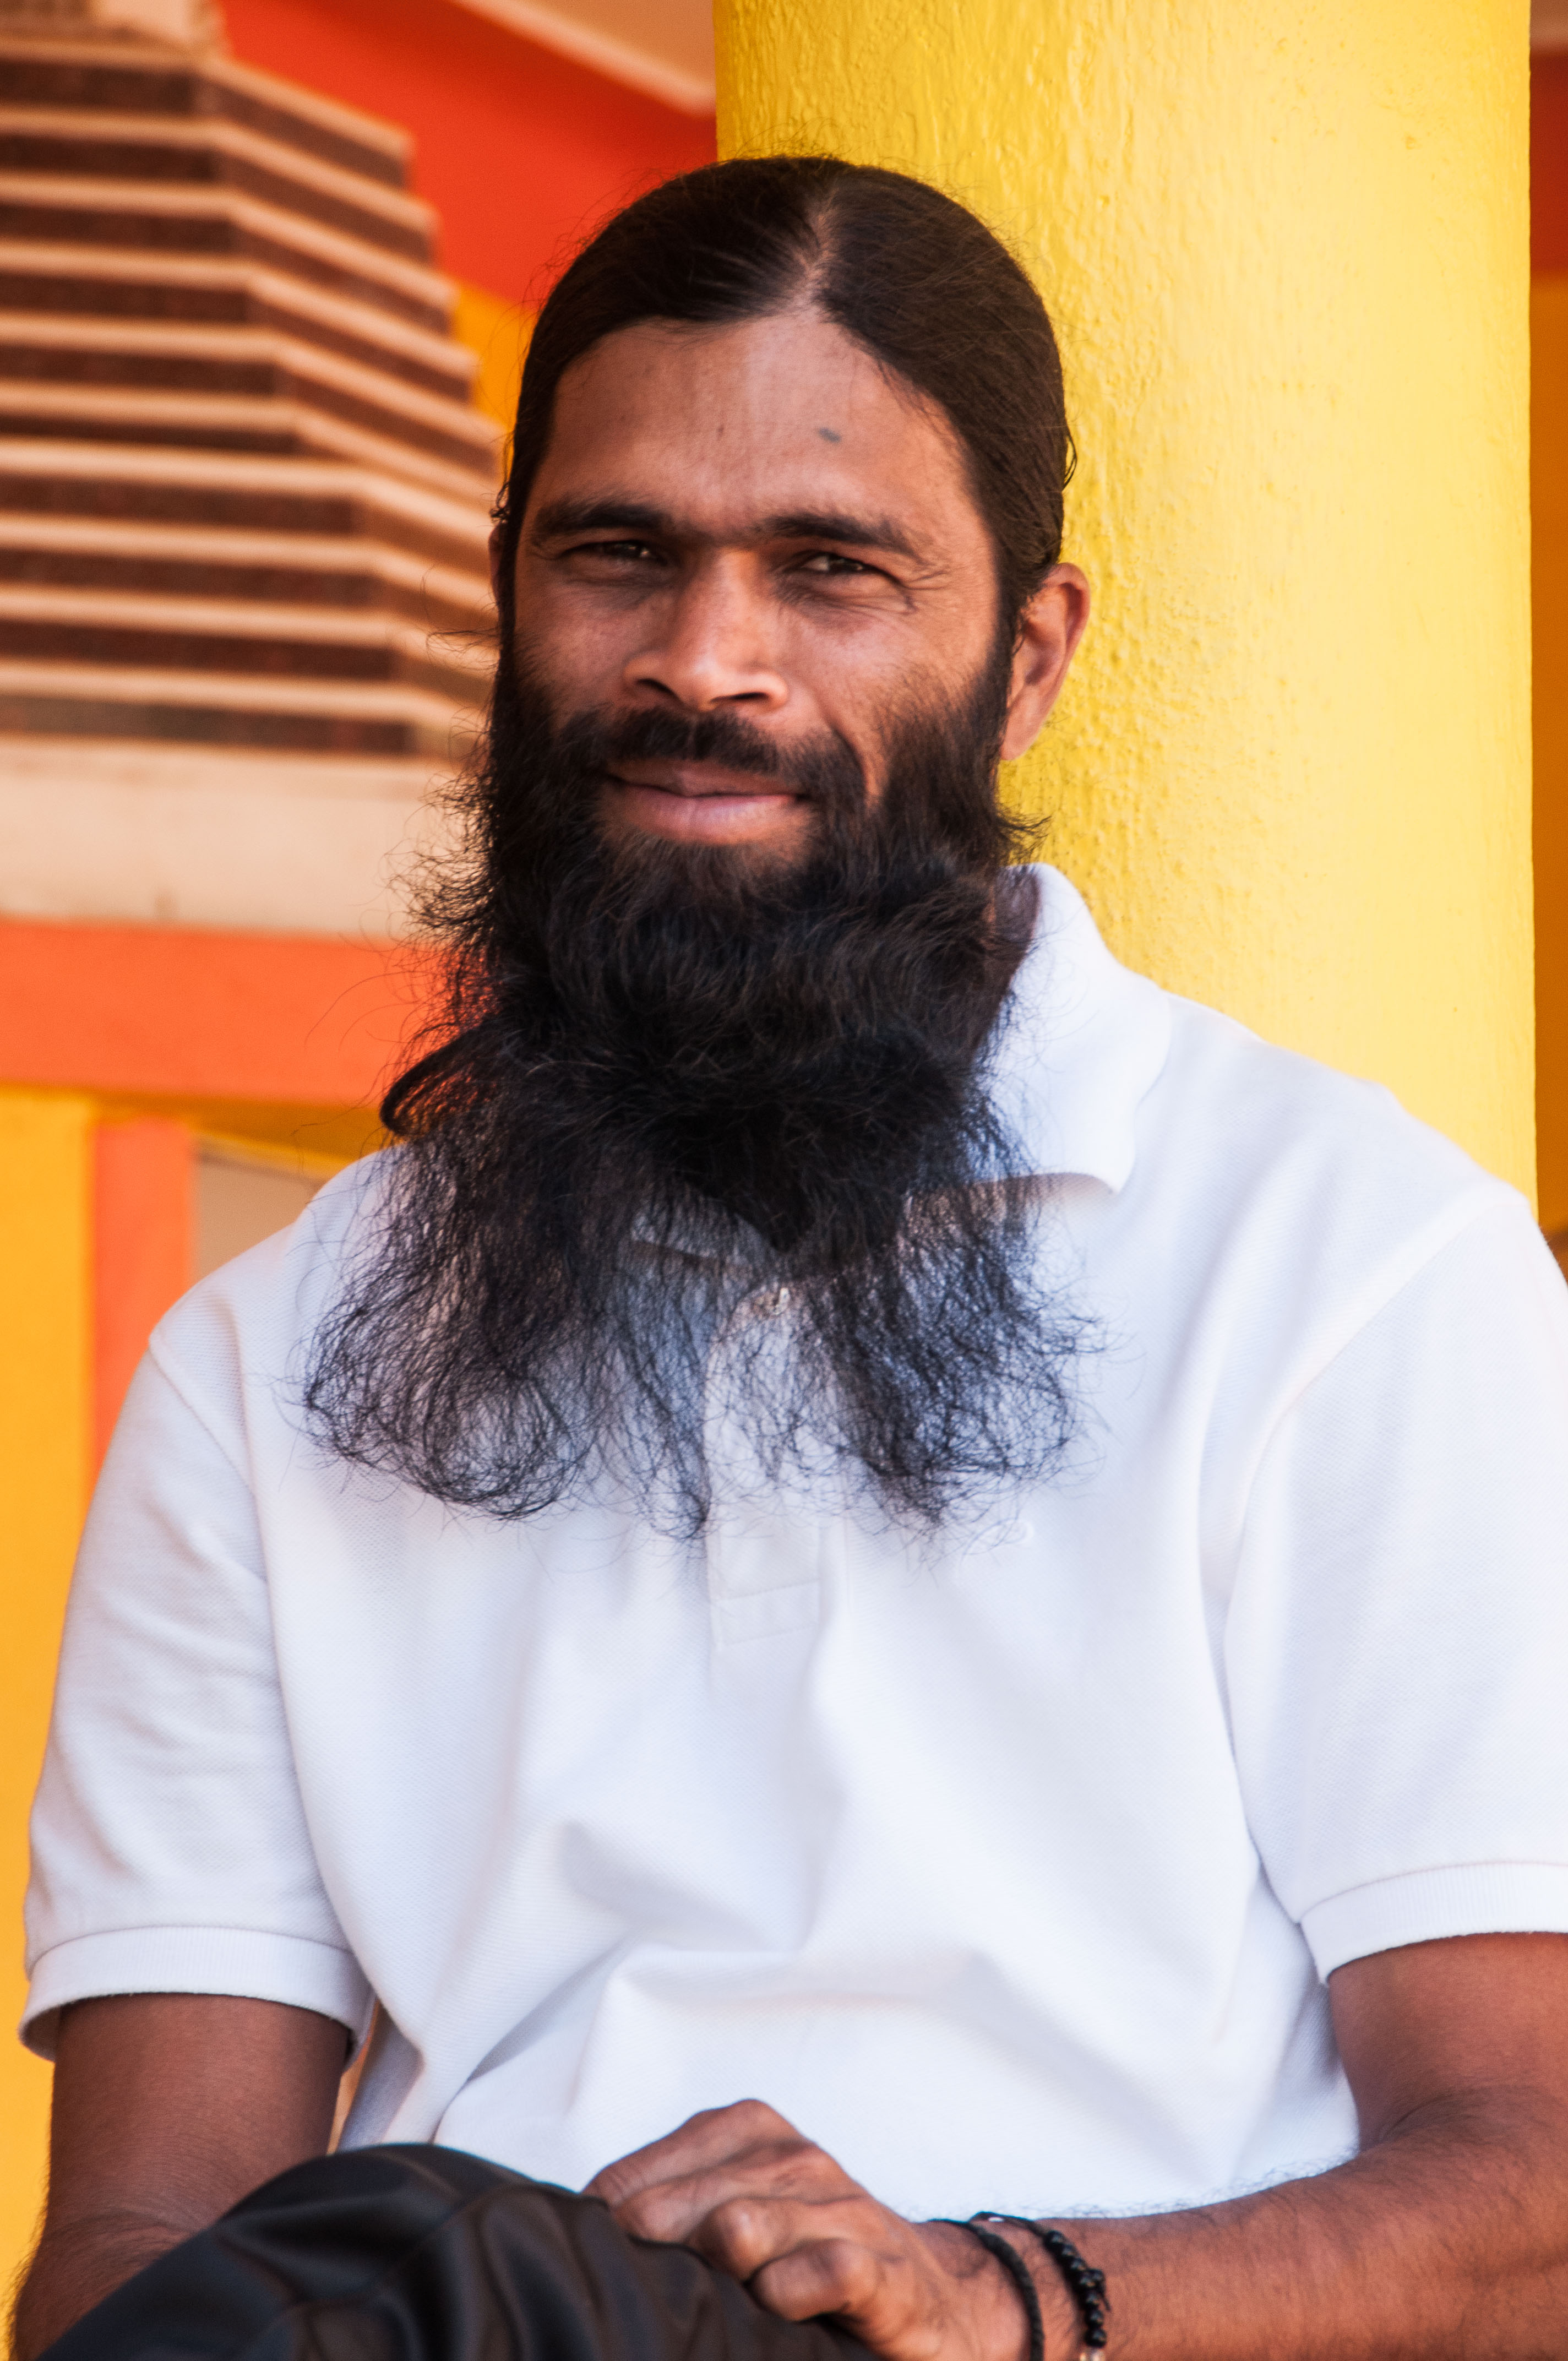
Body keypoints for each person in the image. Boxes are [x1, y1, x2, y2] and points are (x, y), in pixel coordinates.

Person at [13, 154, 1568, 2361]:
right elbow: (150, 2227)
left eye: (827, 571)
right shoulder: (269, 1355)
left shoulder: (1350, 1269)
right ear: (509, 594)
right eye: (617, 555)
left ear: (1023, 662)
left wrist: (1003, 2300)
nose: (700, 661)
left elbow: (1540, 2197)